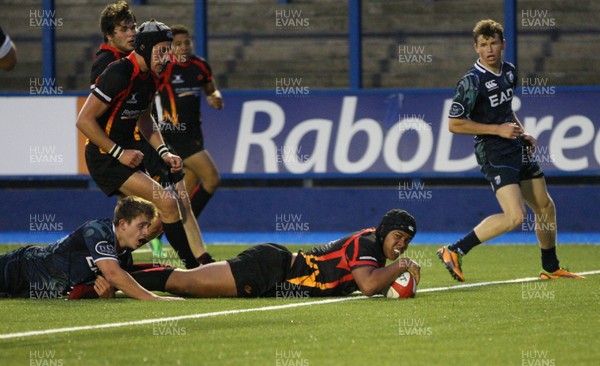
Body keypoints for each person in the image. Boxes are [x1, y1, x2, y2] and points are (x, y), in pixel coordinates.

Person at [437, 19, 583, 282]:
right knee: (515, 217)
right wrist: (497, 131)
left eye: (493, 43)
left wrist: (521, 130)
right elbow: (454, 124)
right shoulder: (471, 82)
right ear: (476, 49)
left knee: (546, 207)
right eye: (483, 45)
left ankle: (550, 268)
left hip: (515, 147)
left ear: (503, 44)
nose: (489, 49)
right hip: (493, 151)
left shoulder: (509, 71)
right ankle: (454, 250)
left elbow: (506, 110)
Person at [77, 19, 207, 270]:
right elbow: (84, 120)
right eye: (162, 50)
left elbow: (145, 118)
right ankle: (194, 269)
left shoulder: (150, 77)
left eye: (169, 50)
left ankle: (103, 263)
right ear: (145, 48)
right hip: (106, 156)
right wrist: (119, 152)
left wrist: (164, 151)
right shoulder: (119, 73)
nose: (167, 57)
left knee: (151, 218)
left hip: (127, 153)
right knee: (168, 204)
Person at [132, 209, 421, 298]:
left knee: (187, 282)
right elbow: (369, 286)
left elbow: (372, 281)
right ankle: (119, 273)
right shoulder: (367, 244)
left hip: (276, 274)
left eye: (406, 241)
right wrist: (403, 266)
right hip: (271, 269)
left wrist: (395, 273)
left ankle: (120, 273)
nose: (401, 245)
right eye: (398, 237)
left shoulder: (376, 253)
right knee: (184, 284)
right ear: (383, 232)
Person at [0, 196, 181, 300]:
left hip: (29, 290)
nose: (145, 232)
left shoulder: (123, 258)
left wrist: (107, 294)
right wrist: (154, 299)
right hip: (19, 268)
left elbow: (81, 291)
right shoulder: (98, 230)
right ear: (123, 224)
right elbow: (112, 275)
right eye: (141, 226)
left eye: (147, 226)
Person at [156, 24, 223, 220]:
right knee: (212, 178)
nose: (184, 47)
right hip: (175, 132)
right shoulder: (165, 68)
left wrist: (215, 97)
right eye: (178, 44)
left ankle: (159, 230)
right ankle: (186, 227)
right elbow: (148, 93)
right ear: (170, 47)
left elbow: (211, 90)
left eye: (187, 42)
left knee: (182, 195)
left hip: (195, 132)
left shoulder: (200, 66)